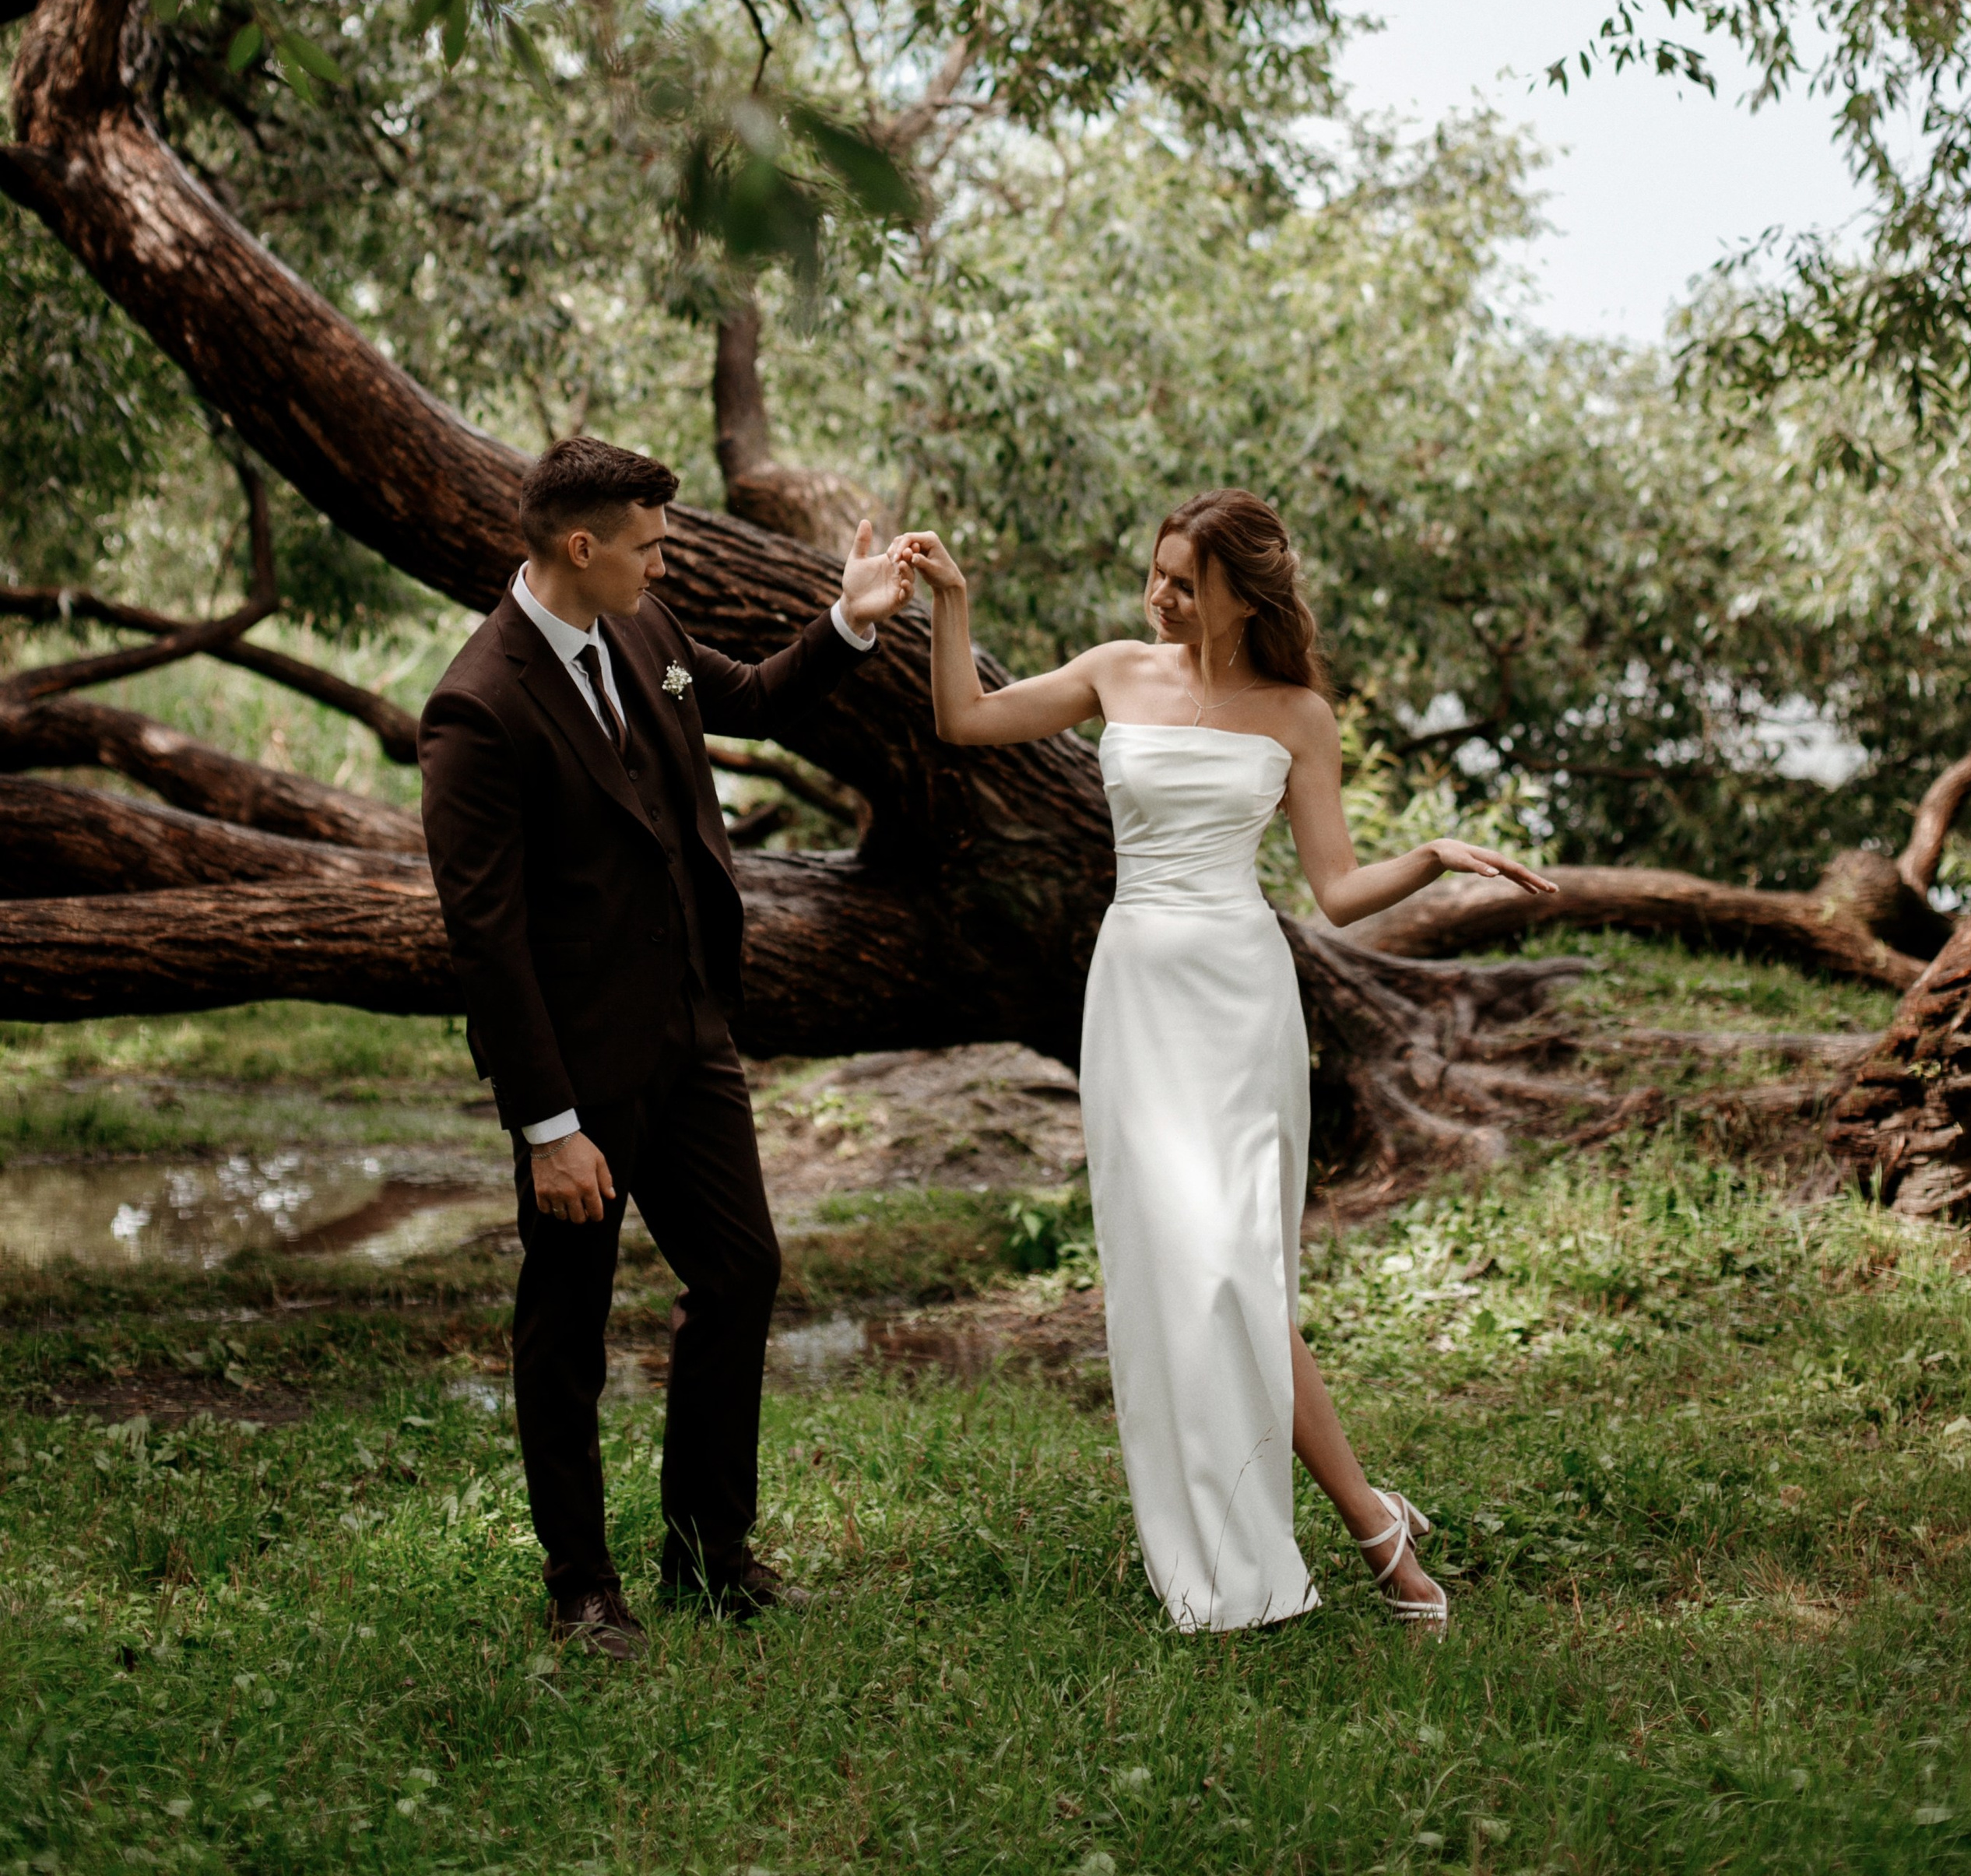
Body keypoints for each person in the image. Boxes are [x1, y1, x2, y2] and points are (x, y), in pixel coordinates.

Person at [904, 489, 1555, 1637]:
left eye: (1182, 583)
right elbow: (962, 718)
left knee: (1239, 1273)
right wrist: (951, 600)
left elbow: (1339, 893)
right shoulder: (1118, 669)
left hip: (1241, 995)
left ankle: (1370, 1529)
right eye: (1154, 573)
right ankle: (1361, 1525)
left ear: (1244, 595)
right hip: (1138, 989)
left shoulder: (1298, 715)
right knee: (1185, 1269)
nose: (1158, 597)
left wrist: (1433, 857)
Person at [419, 433, 913, 1656]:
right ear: (578, 548)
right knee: (568, 1326)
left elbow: (742, 699)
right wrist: (548, 1128)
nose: (665, 559)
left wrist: (846, 625)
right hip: (579, 1079)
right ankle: (581, 1585)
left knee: (740, 1272)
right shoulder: (477, 707)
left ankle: (706, 1553)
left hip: (692, 1037)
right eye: (648, 544)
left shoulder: (643, 629)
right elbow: (486, 940)